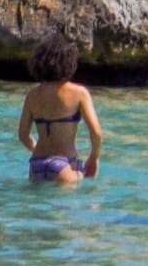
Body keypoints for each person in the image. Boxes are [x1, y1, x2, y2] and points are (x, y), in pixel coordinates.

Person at [17, 31, 103, 184]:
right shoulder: (79, 93)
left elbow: (23, 135)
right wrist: (93, 158)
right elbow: (96, 133)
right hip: (65, 165)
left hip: (36, 165)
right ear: (69, 62)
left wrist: (36, 148)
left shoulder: (32, 95)